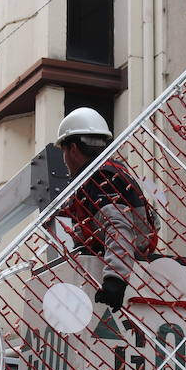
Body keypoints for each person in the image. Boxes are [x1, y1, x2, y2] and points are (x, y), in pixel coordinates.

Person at [53, 107, 158, 312]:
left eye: (63, 152)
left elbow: (118, 226)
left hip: (123, 271)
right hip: (132, 264)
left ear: (72, 148)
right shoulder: (112, 172)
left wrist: (115, 279)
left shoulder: (100, 178)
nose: (64, 160)